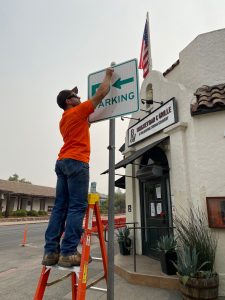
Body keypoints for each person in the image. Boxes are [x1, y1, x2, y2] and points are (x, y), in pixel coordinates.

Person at [42, 68, 114, 267]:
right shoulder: (78, 111)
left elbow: (84, 125)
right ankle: (68, 252)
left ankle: (50, 252)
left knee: (60, 207)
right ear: (68, 101)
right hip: (76, 162)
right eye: (75, 95)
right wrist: (108, 76)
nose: (79, 96)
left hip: (62, 162)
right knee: (76, 207)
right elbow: (100, 94)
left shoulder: (65, 119)